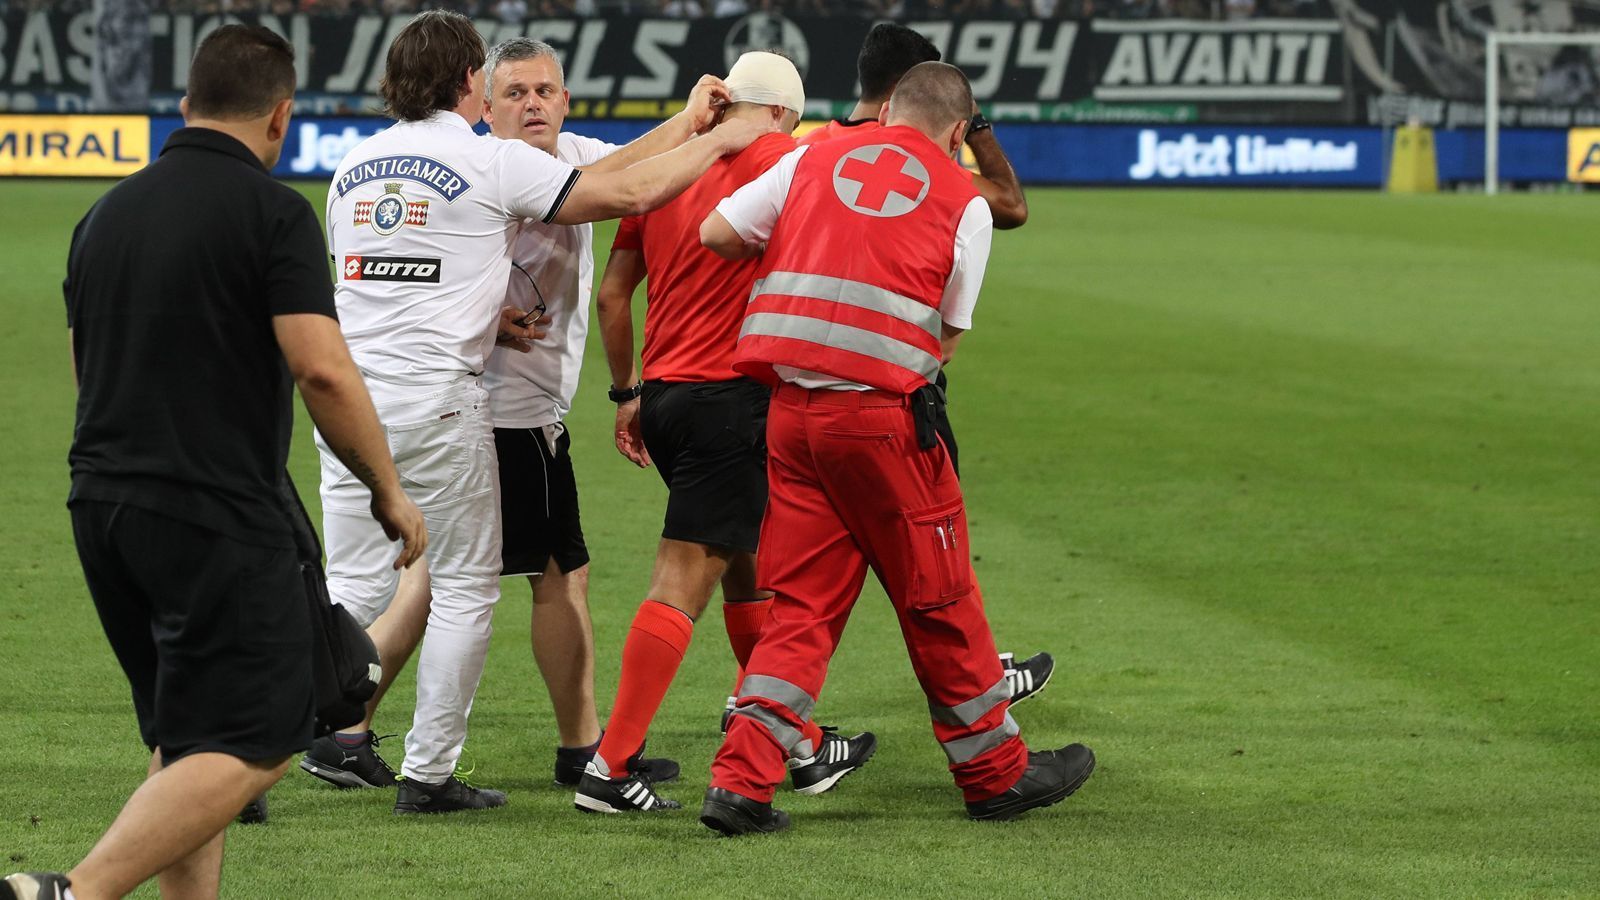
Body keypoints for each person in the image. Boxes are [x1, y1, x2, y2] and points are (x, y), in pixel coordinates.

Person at [307, 10, 768, 815]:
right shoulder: (488, 163)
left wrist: (686, 124)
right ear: (470, 87)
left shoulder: (353, 167)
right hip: (450, 404)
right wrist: (723, 141)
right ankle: (423, 770)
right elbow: (626, 191)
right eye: (502, 85)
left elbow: (381, 278)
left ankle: (241, 743)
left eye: (542, 89)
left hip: (349, 402)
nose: (521, 100)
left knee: (350, 588)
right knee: (459, 589)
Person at [2, 25, 426, 900]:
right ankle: (69, 893)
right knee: (265, 734)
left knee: (186, 735)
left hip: (103, 507)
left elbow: (88, 374)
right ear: (281, 116)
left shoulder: (104, 213)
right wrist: (388, 490)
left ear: (187, 106)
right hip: (214, 511)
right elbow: (319, 365)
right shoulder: (273, 213)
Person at [696, 62, 1095, 835]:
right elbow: (945, 333)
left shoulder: (810, 156)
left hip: (790, 417)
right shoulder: (961, 198)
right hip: (880, 426)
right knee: (939, 595)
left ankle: (740, 783)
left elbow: (717, 232)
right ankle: (994, 773)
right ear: (957, 134)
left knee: (801, 609)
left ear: (884, 114)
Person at [586, 51, 877, 815]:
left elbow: (613, 298)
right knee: (684, 577)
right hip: (735, 398)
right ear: (783, 111)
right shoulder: (795, 164)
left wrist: (627, 394)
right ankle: (609, 768)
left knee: (746, 564)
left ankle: (801, 744)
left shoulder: (669, 168)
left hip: (667, 399)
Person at [801, 22, 1051, 703]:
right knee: (931, 551)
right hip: (894, 395)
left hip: (795, 386)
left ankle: (761, 703)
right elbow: (1012, 207)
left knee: (801, 571)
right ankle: (977, 694)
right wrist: (972, 126)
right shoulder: (929, 167)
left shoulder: (807, 150)